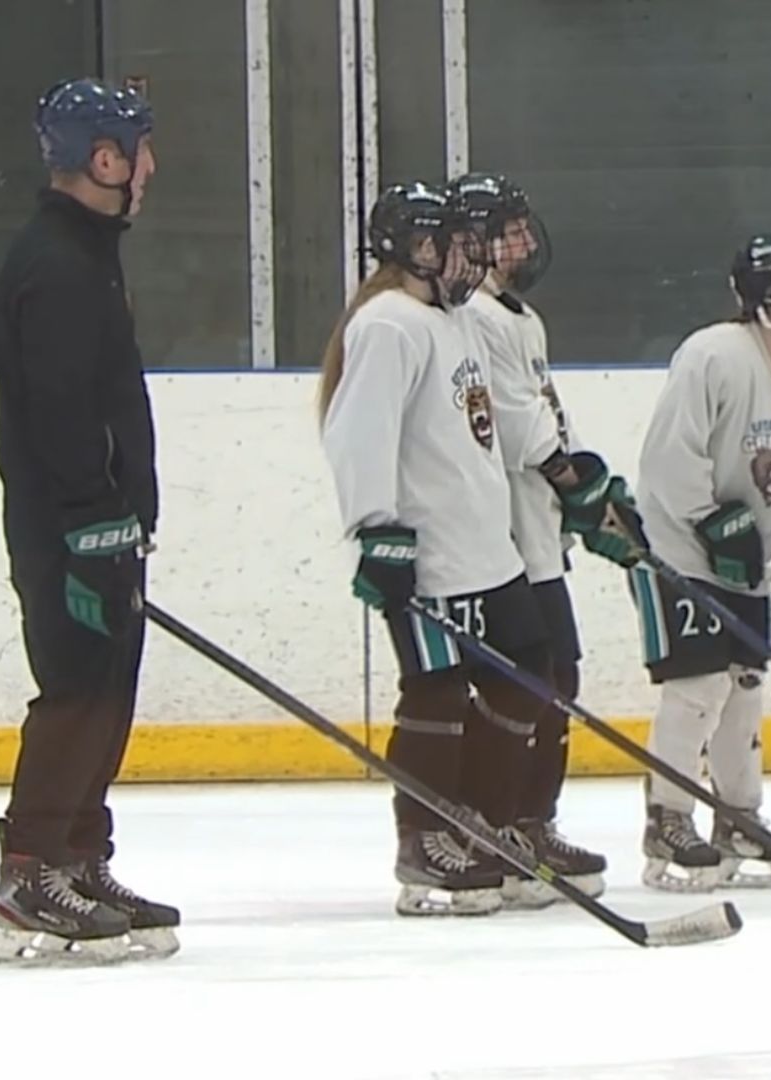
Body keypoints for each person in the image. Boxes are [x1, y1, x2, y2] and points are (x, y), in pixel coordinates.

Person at [318, 180, 640, 916]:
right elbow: (357, 432)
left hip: (488, 549)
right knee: (435, 691)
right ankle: (424, 841)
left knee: (528, 677)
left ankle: (489, 824)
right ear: (417, 248)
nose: (472, 259)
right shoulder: (387, 324)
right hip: (428, 552)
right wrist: (378, 530)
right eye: (457, 246)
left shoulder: (457, 319)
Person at [0, 76, 178, 966]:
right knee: (75, 688)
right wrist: (92, 522)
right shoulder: (57, 264)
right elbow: (61, 413)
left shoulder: (87, 252)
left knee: (108, 686)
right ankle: (30, 871)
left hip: (100, 527)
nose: (149, 167)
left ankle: (77, 857)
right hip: (69, 530)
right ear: (104, 160)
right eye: (139, 149)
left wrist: (126, 515)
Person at [625, 234, 771, 892]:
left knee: (744, 692)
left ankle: (739, 819)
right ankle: (668, 817)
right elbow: (669, 460)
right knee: (697, 688)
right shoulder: (713, 355)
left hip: (744, 564)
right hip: (677, 551)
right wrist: (713, 521)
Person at [453, 170, 624, 899]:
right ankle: (497, 820)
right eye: (510, 232)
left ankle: (530, 820)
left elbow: (548, 413)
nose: (526, 243)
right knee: (529, 682)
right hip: (506, 534)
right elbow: (519, 428)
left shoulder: (518, 317)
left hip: (539, 531)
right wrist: (567, 475)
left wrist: (591, 485)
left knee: (558, 677)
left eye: (525, 229)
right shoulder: (477, 318)